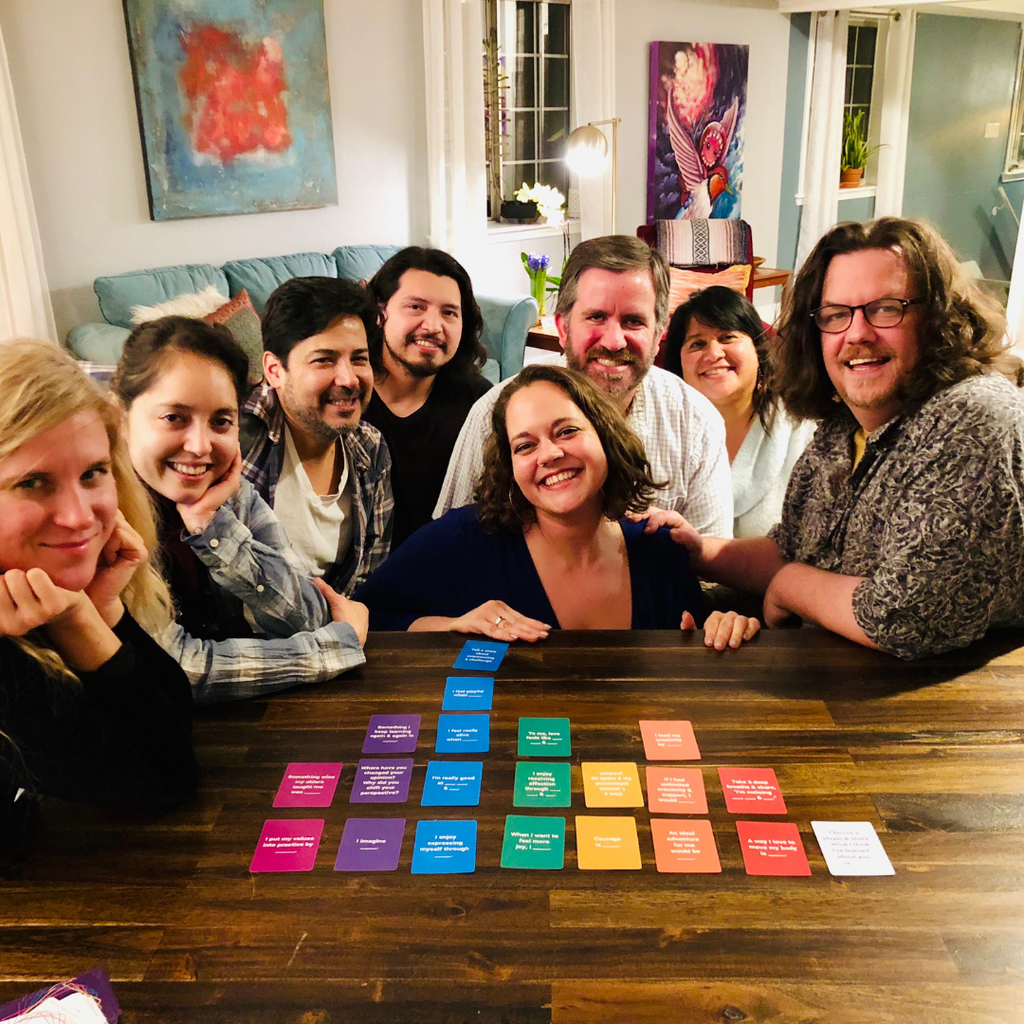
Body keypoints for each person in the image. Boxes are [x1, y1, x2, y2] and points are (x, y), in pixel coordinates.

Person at [644, 217, 1024, 659]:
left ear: (939, 317)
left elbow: (904, 617)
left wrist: (790, 586)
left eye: (886, 308)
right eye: (837, 315)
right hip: (836, 674)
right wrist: (698, 552)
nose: (857, 333)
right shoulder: (844, 425)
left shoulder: (973, 418)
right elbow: (792, 548)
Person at [356, 365, 759, 649]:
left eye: (566, 431)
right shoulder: (463, 539)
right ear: (510, 467)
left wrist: (723, 631)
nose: (549, 454)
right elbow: (364, 616)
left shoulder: (660, 548)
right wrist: (451, 626)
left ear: (605, 437)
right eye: (525, 446)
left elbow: (691, 649)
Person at [112, 317, 369, 704]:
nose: (200, 446)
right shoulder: (104, 514)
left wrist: (209, 526)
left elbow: (307, 617)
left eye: (220, 422)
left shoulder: (227, 493)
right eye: (174, 418)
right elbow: (177, 669)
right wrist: (332, 649)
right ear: (121, 418)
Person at [0, 340, 198, 834]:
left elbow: (174, 720)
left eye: (93, 473)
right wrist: (80, 621)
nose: (78, 517)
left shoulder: (40, 592)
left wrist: (98, 609)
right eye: (32, 482)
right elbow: (163, 780)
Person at [434, 235, 733, 537]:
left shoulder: (696, 422)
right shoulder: (494, 412)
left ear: (658, 334)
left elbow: (710, 561)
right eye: (596, 317)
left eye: (633, 321)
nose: (614, 342)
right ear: (562, 328)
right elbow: (449, 545)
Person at [241, 277, 393, 594]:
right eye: (324, 360)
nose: (349, 379)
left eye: (359, 359)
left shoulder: (370, 448)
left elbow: (370, 581)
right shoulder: (239, 441)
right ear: (274, 371)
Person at [364, 247, 492, 547]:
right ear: (380, 314)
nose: (433, 327)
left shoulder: (481, 406)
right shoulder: (349, 395)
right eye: (416, 307)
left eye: (449, 313)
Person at [663, 286, 816, 537]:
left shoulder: (804, 430)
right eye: (697, 343)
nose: (714, 353)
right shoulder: (662, 434)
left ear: (758, 350)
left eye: (727, 338)